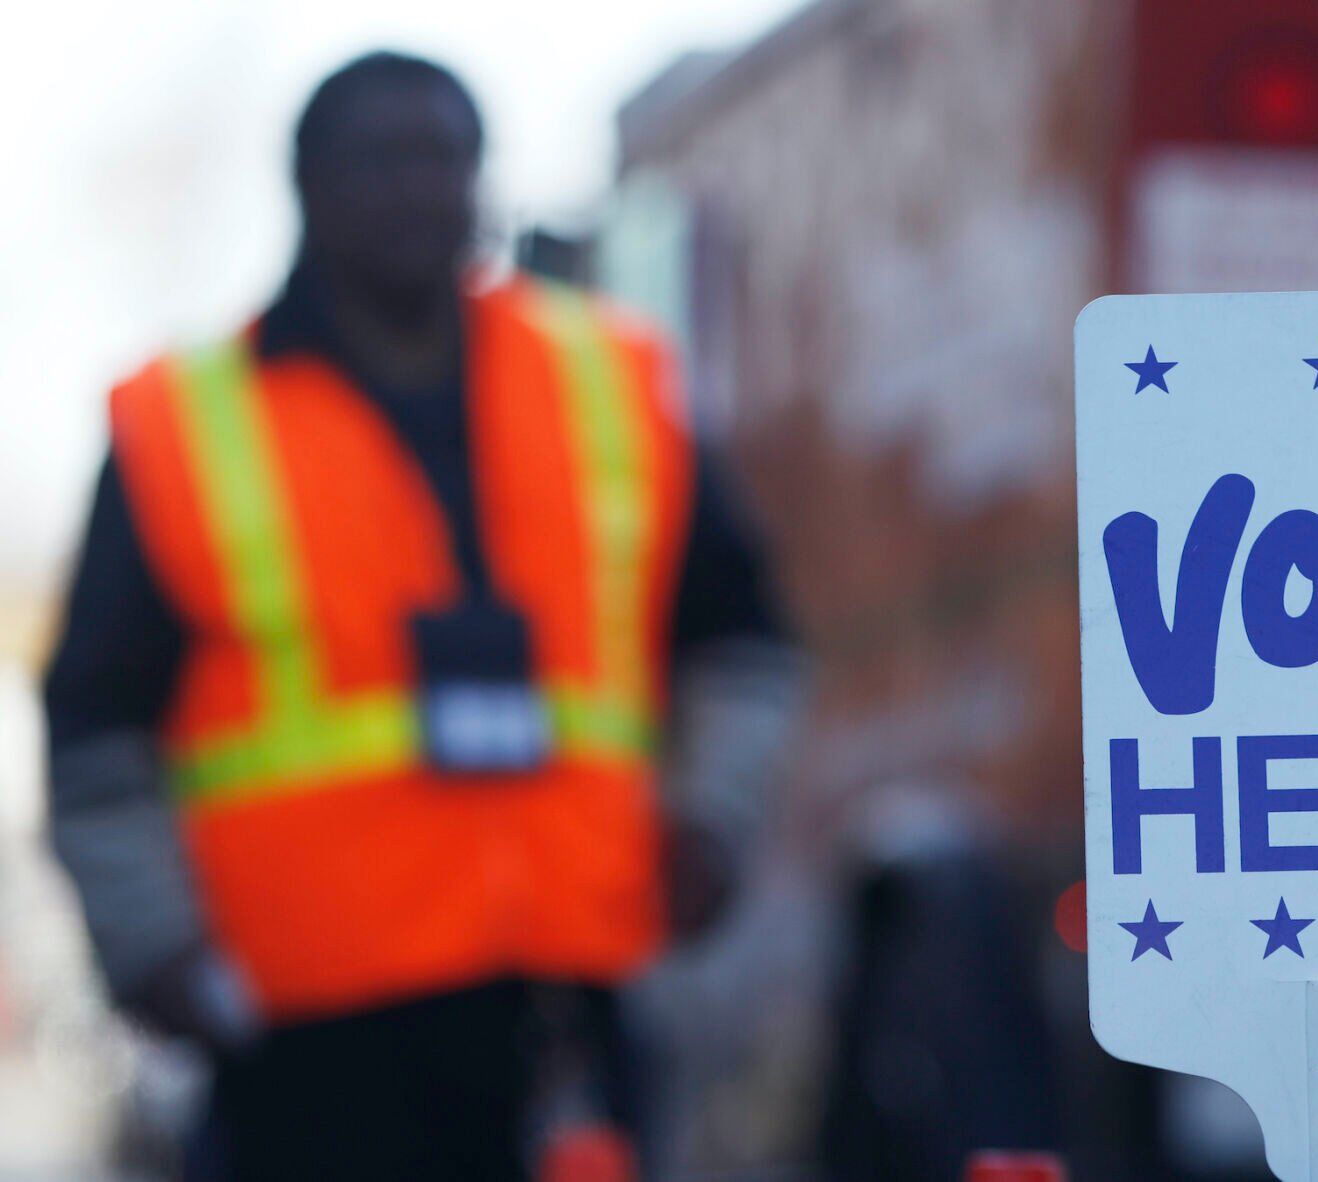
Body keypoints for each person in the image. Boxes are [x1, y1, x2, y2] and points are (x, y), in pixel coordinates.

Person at [44, 51, 798, 1181]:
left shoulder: (607, 380)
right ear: (310, 187)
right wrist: (152, 947)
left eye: (445, 157)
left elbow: (745, 643)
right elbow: (97, 732)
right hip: (304, 1041)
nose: (420, 187)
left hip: (564, 1006)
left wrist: (715, 814)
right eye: (381, 161)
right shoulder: (184, 426)